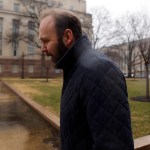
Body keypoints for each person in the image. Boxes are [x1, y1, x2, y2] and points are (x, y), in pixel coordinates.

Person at [39, 9, 134, 150]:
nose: (42, 49)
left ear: (67, 37)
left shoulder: (100, 71)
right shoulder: (75, 69)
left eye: (46, 41)